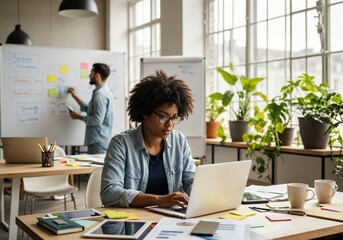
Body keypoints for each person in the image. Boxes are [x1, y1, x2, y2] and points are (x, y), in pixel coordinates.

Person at [101, 70, 196, 208]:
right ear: (145, 112)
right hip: (134, 221)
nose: (170, 124)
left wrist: (200, 193)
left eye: (175, 117)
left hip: (170, 218)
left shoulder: (179, 140)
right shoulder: (121, 144)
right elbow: (109, 193)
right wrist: (159, 200)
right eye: (163, 116)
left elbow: (189, 179)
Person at [68, 63, 113, 154]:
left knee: (96, 168)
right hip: (99, 141)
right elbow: (90, 109)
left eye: (91, 72)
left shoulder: (99, 94)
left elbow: (97, 120)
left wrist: (78, 117)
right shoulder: (104, 91)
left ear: (97, 76)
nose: (89, 75)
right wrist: (75, 96)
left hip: (97, 142)